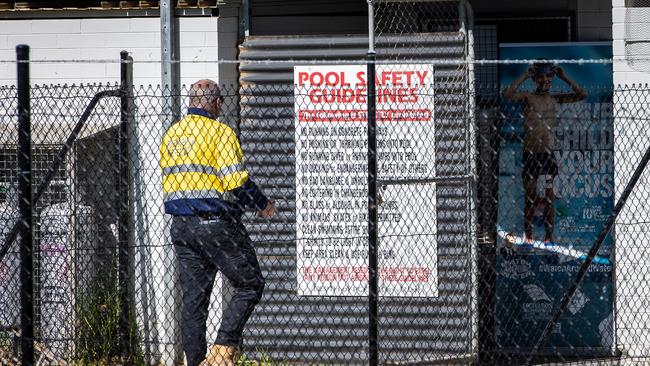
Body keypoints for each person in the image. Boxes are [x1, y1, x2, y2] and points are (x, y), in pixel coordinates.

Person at [160, 79, 277, 366]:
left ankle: (196, 361)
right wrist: (262, 205)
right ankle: (223, 351)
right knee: (250, 283)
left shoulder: (172, 134)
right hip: (215, 223)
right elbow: (236, 181)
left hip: (181, 226)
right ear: (215, 103)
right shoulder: (220, 132)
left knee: (194, 302)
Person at [503, 61, 586, 244]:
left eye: (549, 77)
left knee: (549, 198)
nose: (545, 80)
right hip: (531, 154)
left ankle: (549, 237)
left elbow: (582, 94)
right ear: (535, 78)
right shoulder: (527, 97)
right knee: (530, 198)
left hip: (547, 155)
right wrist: (524, 75)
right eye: (541, 76)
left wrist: (564, 77)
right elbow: (507, 94)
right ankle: (529, 236)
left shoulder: (555, 98)